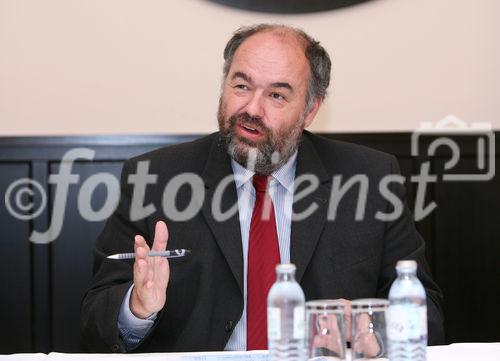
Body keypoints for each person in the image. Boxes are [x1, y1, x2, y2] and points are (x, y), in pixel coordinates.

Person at [80, 24, 444, 353]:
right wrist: (136, 308)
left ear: (310, 109)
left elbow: (426, 311)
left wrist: (368, 328)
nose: (251, 108)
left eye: (277, 96)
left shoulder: (372, 178)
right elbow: (95, 316)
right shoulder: (154, 179)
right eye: (241, 86)